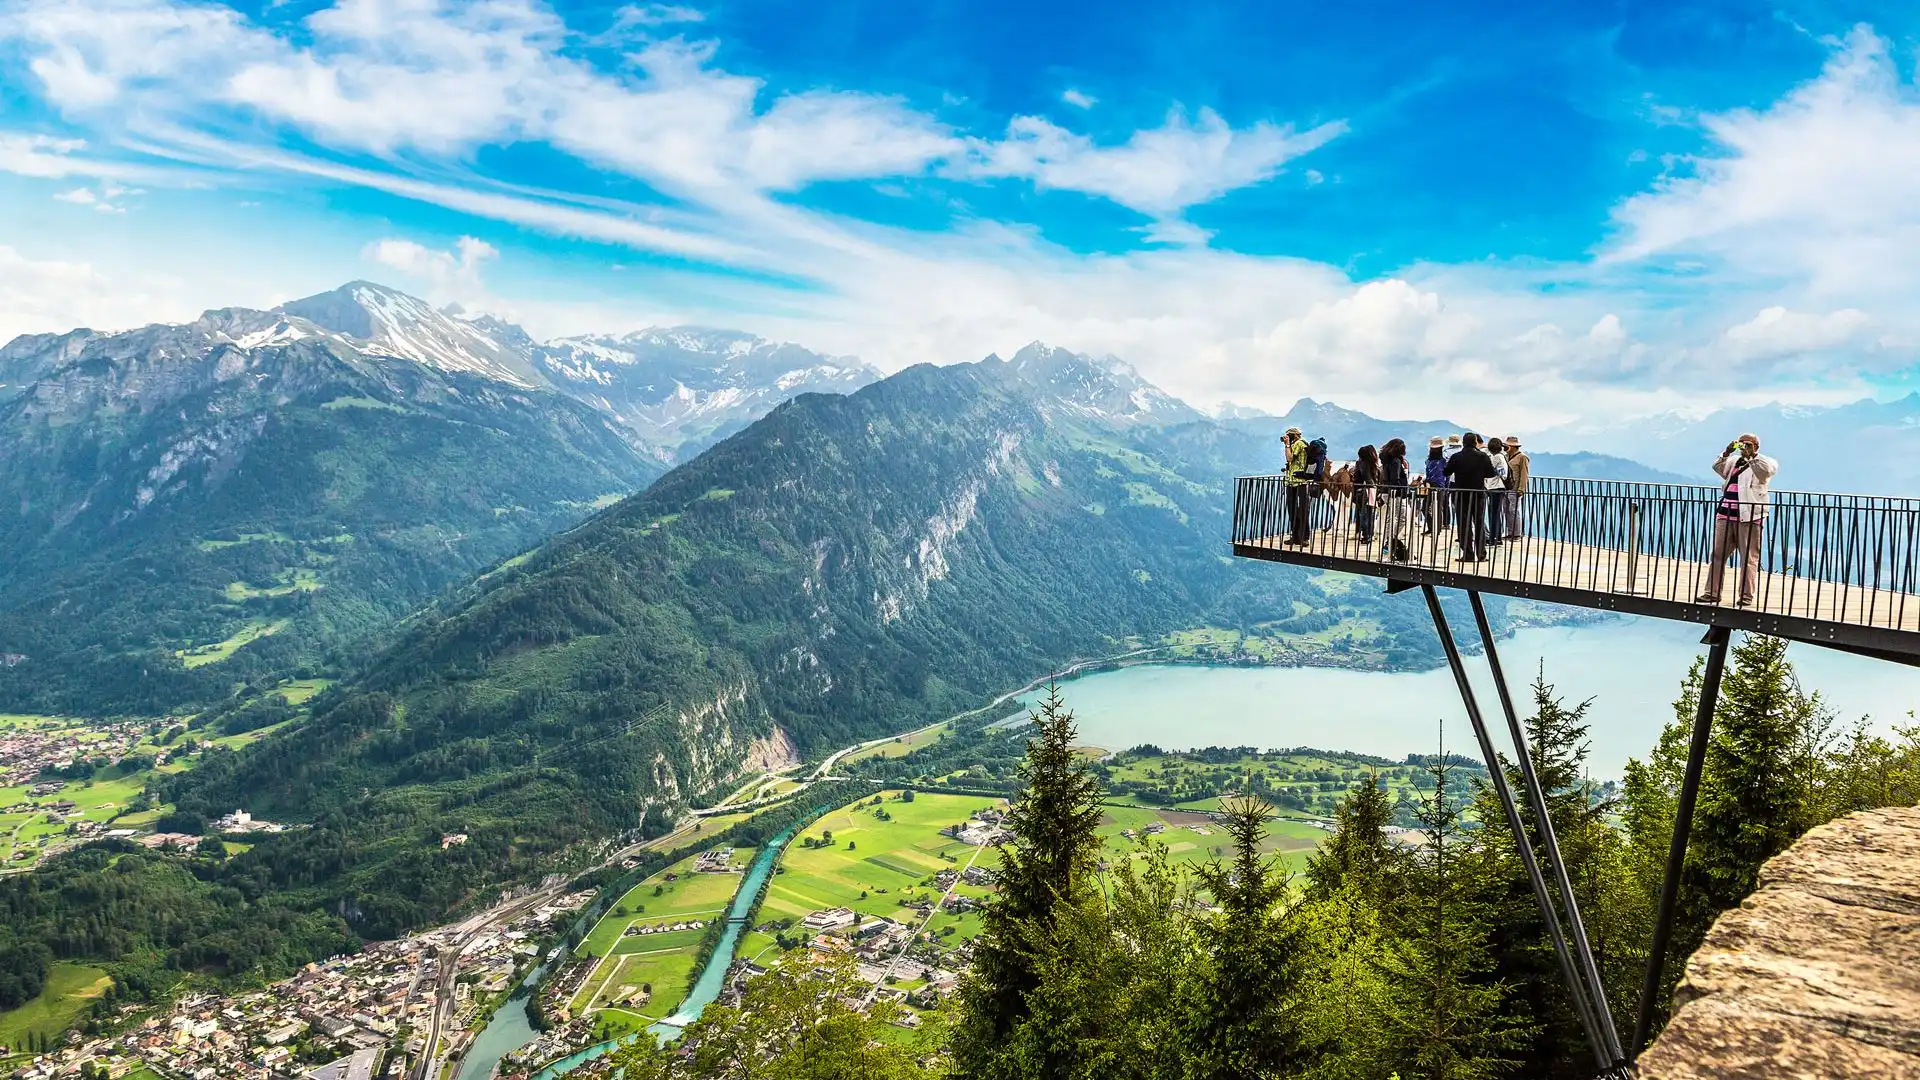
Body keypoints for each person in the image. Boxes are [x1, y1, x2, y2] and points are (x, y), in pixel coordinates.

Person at [1697, 433, 1778, 608]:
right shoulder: (1734, 461)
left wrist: (1752, 456)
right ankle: (1712, 593)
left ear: (1756, 446)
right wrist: (1726, 452)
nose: (1743, 447)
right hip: (1725, 514)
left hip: (1749, 517)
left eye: (1747, 444)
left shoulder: (1764, 462)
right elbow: (1717, 467)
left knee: (1748, 558)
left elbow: (1766, 471)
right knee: (1718, 555)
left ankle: (1746, 596)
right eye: (1741, 444)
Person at [1444, 432, 1498, 563]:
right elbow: (1491, 473)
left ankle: (1467, 554)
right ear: (1475, 443)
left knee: (1464, 524)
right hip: (1478, 493)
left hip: (1461, 493)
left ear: (1463, 443)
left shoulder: (1456, 457)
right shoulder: (1483, 456)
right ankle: (1481, 554)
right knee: (1479, 523)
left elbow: (1446, 472)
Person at [1380, 438, 1411, 561]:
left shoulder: (1386, 459)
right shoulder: (1396, 461)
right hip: (1396, 493)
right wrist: (1402, 490)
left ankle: (1388, 545)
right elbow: (1395, 478)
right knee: (1402, 517)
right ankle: (1391, 540)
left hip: (1387, 492)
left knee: (1390, 518)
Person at [1283, 427, 1311, 546]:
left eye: (1289, 435)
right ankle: (1295, 536)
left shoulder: (1299, 444)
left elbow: (1289, 458)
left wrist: (1287, 445)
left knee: (1302, 510)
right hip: (1292, 481)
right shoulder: (1296, 444)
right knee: (1292, 510)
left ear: (1295, 435)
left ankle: (1304, 537)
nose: (1287, 437)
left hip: (1300, 482)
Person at [1352, 444, 1381, 544]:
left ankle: (1366, 535)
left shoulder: (1360, 463)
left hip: (1362, 490)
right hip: (1371, 490)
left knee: (1363, 513)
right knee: (1370, 514)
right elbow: (1373, 478)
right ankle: (1369, 534)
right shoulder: (1373, 464)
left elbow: (1361, 477)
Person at [1485, 438, 1510, 545]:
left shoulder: (1496, 458)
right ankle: (1498, 537)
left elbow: (1487, 468)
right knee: (1495, 513)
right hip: (1498, 487)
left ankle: (1493, 538)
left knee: (1493, 513)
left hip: (1495, 487)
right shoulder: (1501, 456)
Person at [1503, 436, 1530, 538]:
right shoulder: (1505, 457)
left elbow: (1524, 474)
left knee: (1514, 510)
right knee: (1506, 510)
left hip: (1515, 488)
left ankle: (1517, 533)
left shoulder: (1522, 457)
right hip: (1506, 487)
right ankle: (1510, 532)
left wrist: (1521, 489)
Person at [1423, 436, 1449, 533]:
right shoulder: (1442, 461)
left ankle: (1434, 528)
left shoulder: (1433, 461)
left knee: (1428, 507)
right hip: (1438, 485)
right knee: (1435, 508)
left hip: (1433, 485)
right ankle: (1434, 527)